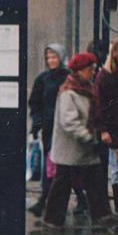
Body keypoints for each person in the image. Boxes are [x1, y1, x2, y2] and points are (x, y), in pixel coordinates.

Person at [42, 52, 112, 227]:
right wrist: (88, 136)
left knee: (95, 181)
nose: (93, 72)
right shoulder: (69, 92)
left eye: (94, 69)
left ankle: (102, 216)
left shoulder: (87, 88)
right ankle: (52, 219)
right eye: (90, 69)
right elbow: (69, 122)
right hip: (71, 149)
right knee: (62, 185)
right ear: (79, 71)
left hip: (85, 149)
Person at [27, 44, 85, 218]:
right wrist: (37, 123)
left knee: (64, 166)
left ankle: (48, 200)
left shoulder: (69, 77)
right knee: (51, 166)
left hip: (65, 129)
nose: (51, 61)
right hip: (49, 129)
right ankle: (49, 199)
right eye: (48, 58)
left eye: (54, 57)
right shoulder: (42, 79)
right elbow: (35, 103)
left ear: (61, 57)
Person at [91, 38, 118, 217]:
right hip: (114, 128)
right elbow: (98, 105)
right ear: (116, 56)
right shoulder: (105, 77)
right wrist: (104, 130)